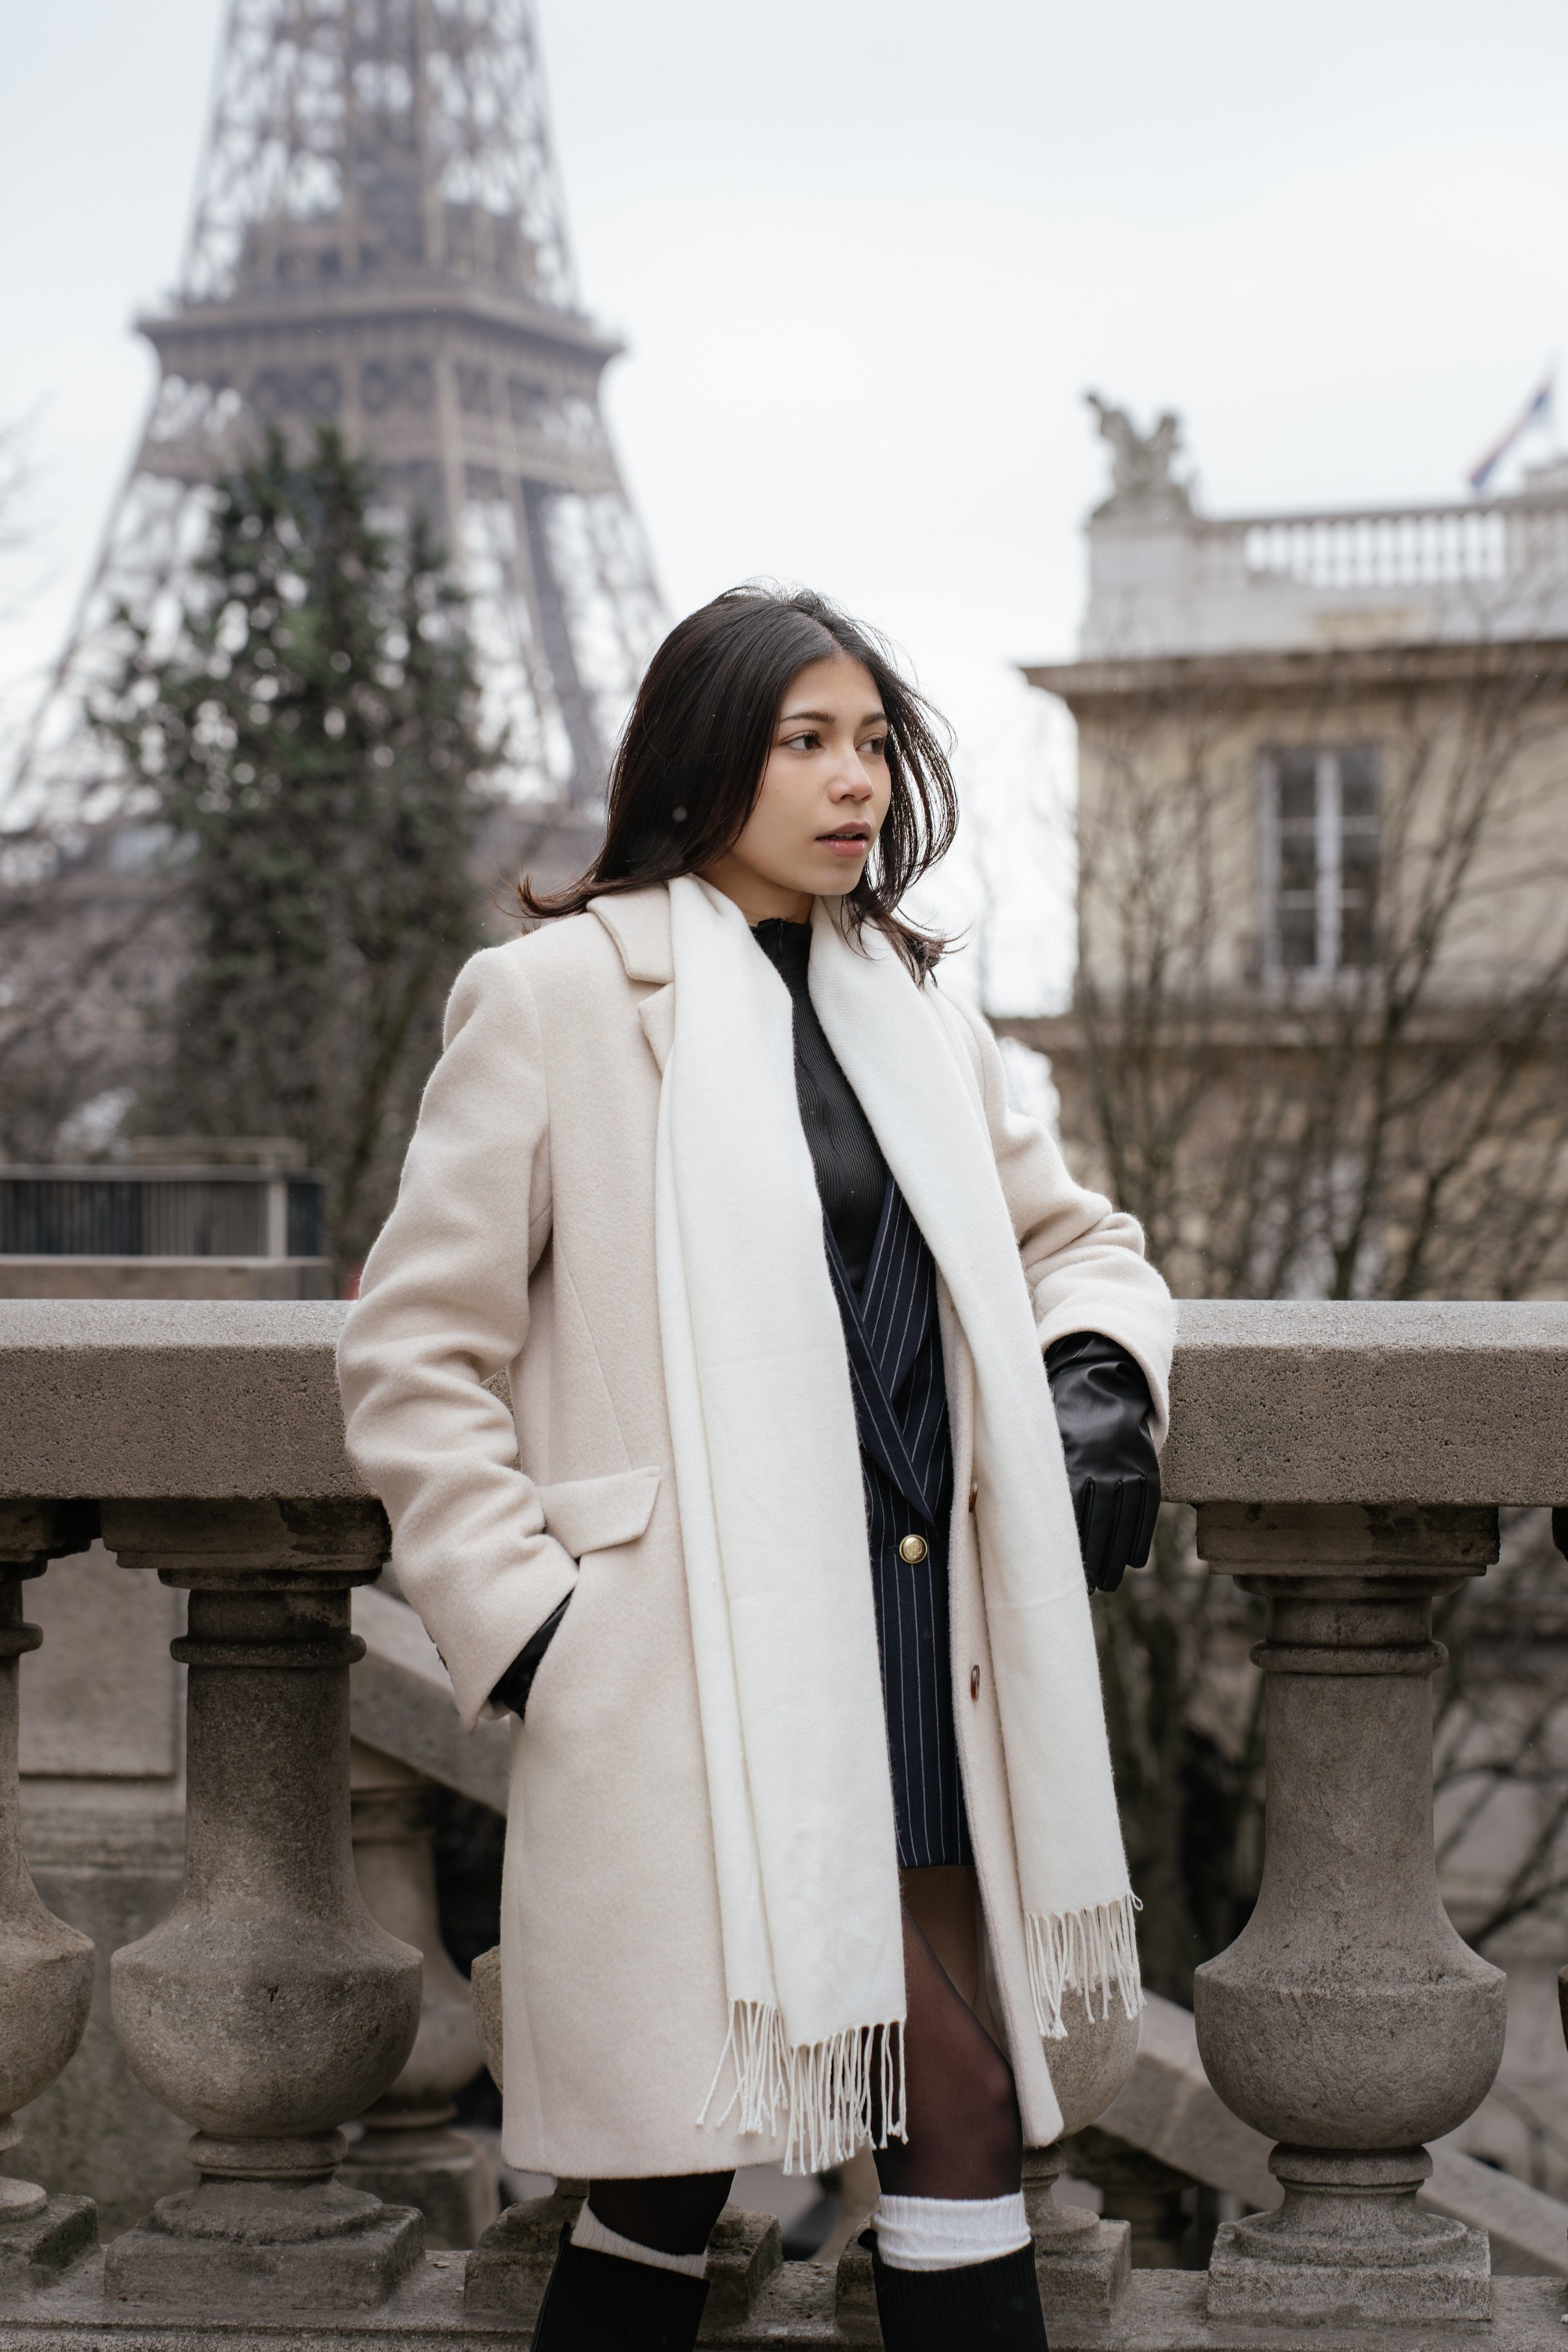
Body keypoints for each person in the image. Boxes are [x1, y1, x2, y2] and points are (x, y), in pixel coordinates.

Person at [338, 586, 1174, 2350]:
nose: (853, 781)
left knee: (743, 2150)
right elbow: (418, 1351)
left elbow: (1076, 1243)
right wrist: (538, 1625)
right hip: (690, 1679)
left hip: (910, 1653)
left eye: (872, 743)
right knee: (837, 2122)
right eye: (806, 742)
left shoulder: (914, 1010)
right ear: (703, 758)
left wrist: (1094, 1387)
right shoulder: (559, 996)